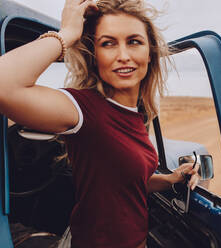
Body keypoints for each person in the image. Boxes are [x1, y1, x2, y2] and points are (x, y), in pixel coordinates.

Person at [0, 0, 200, 247]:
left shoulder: (135, 116)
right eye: (108, 44)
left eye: (134, 41)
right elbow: (3, 85)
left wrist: (171, 180)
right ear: (95, 57)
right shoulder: (84, 109)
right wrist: (68, 34)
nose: (123, 56)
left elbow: (129, 181)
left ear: (150, 53)